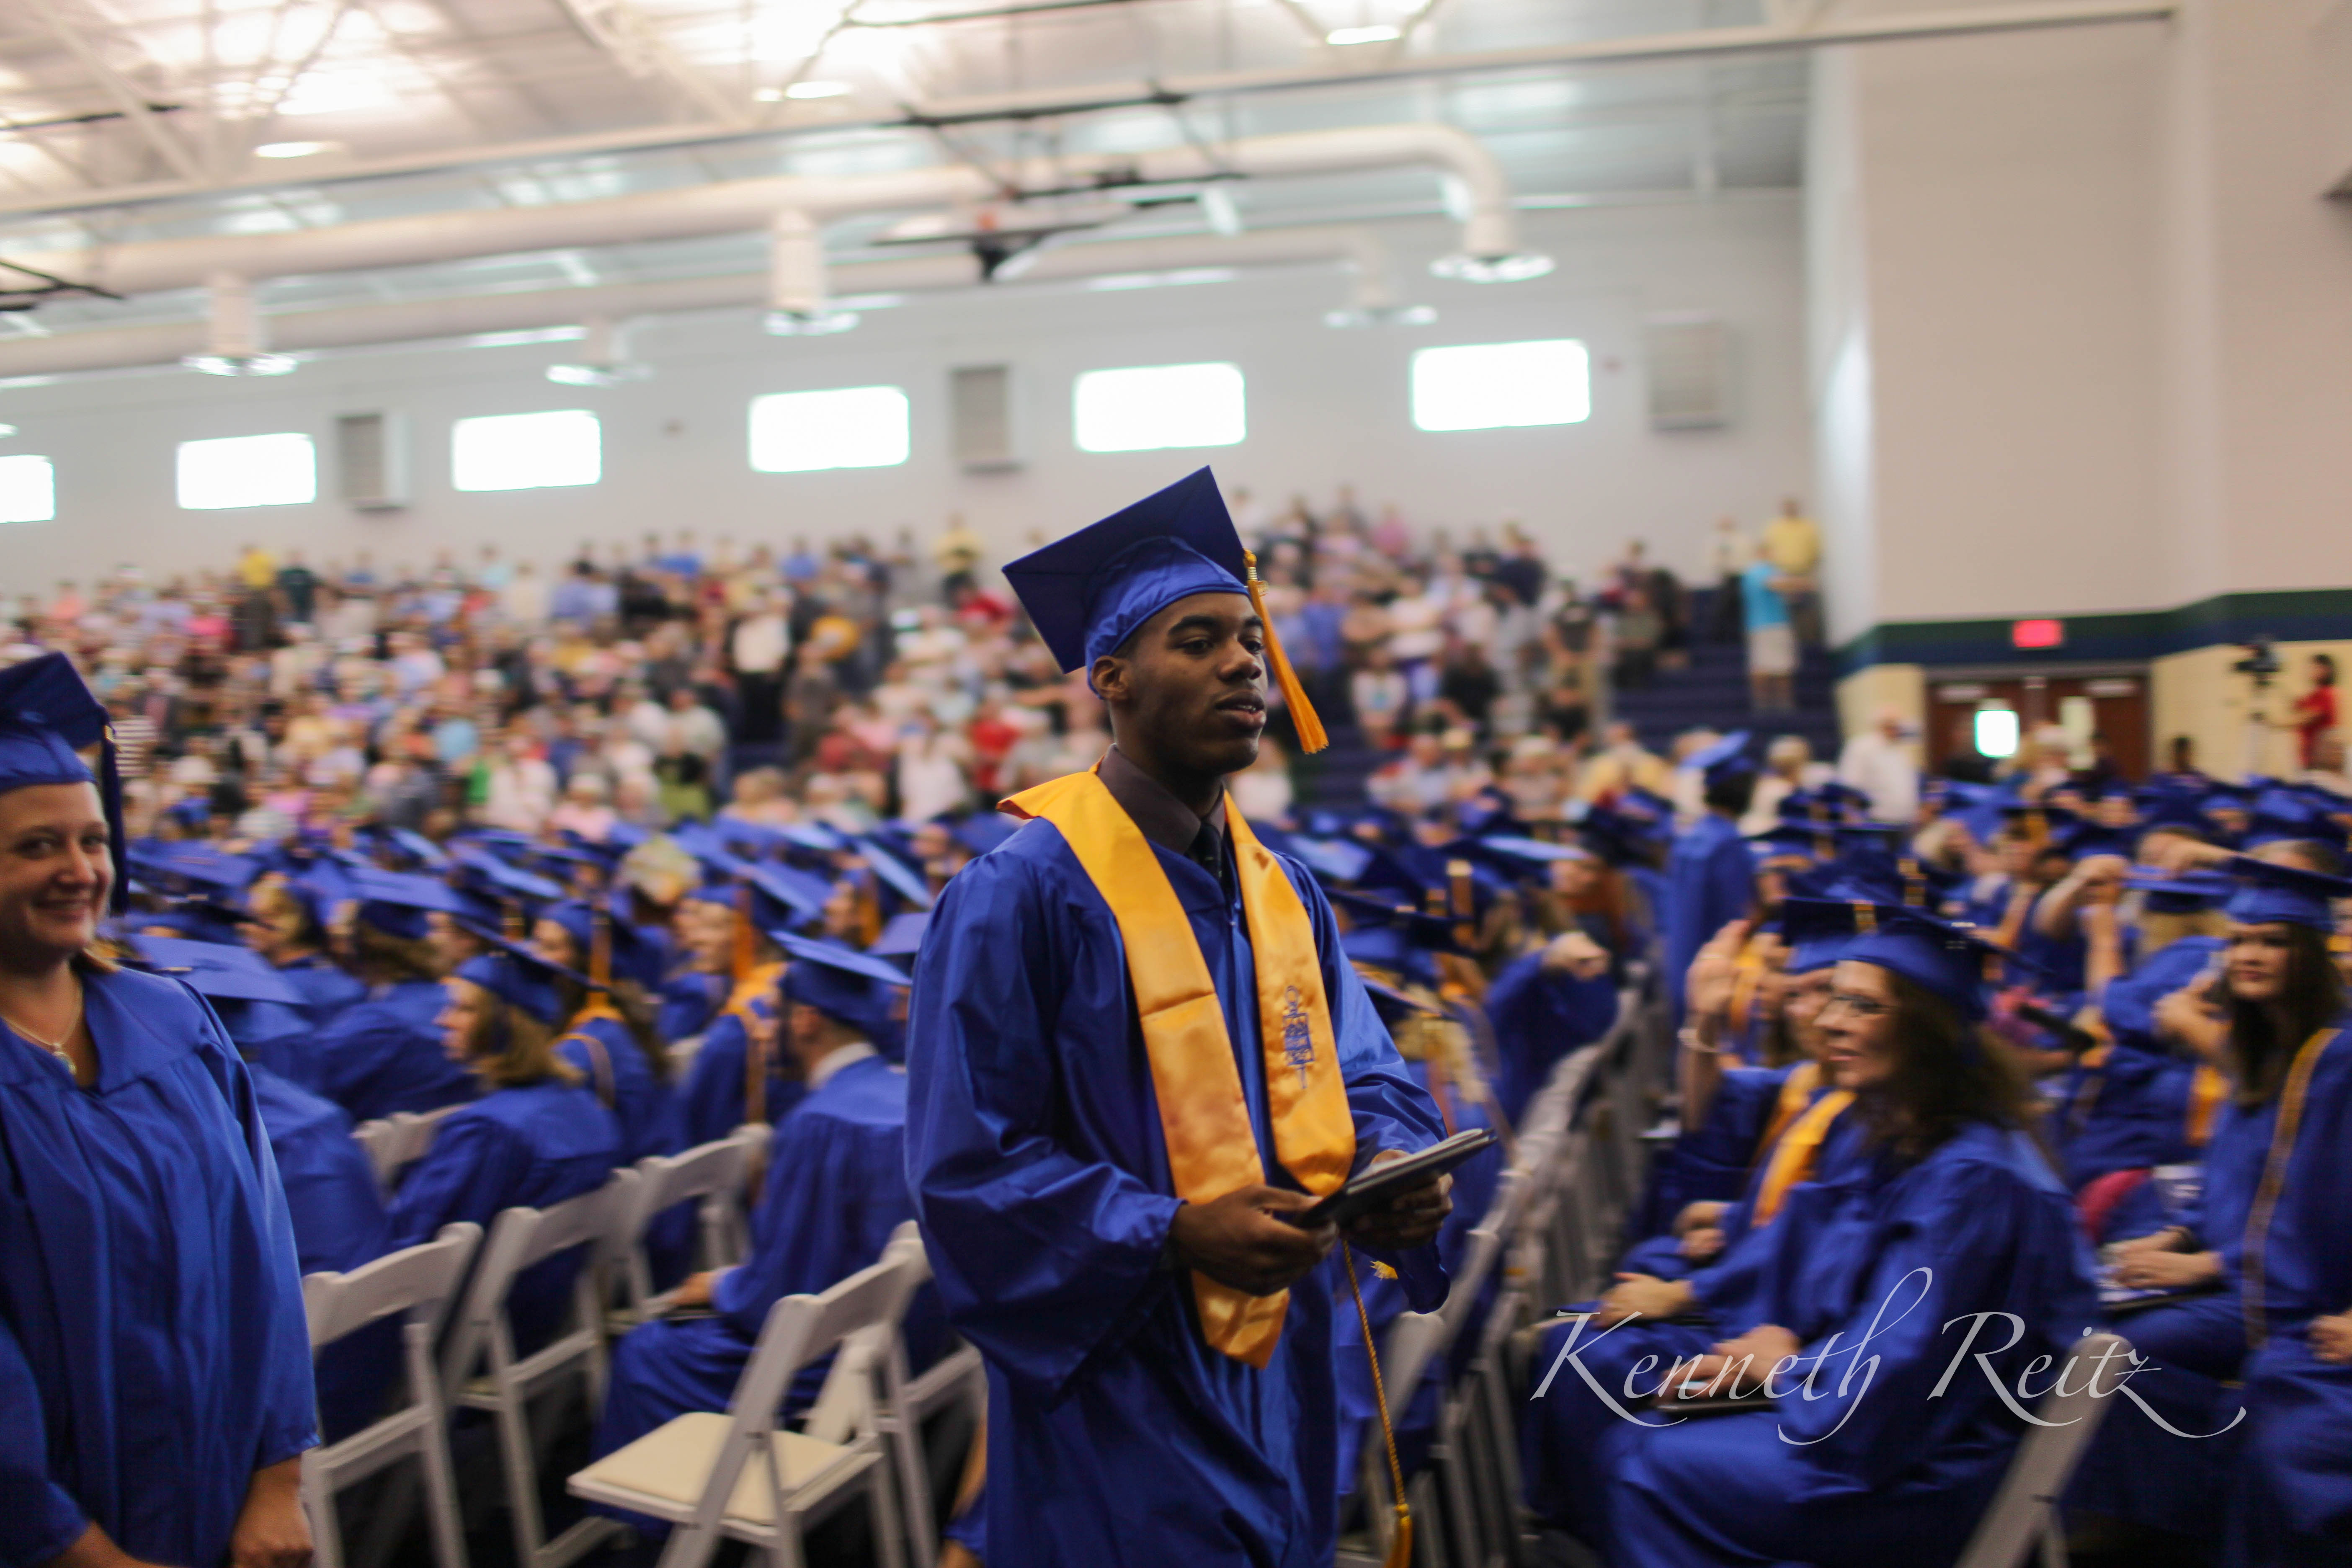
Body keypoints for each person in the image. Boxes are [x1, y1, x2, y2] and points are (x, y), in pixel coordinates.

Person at [906, 468, 1456, 1568]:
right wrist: (1168, 1229)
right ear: (1110, 677)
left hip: (1287, 1359)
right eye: (1197, 641)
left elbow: (1361, 1067)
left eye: (1249, 638)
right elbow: (966, 1166)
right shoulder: (1021, 896)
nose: (1244, 663)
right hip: (1125, 1376)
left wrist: (1392, 1161)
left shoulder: (1281, 888)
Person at [1521, 900, 2096, 1566]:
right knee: (1597, 1373)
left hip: (1926, 1468)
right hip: (1871, 1414)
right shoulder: (1897, 1132)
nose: (1828, 1021)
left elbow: (1904, 1361)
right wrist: (1776, 1347)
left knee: (1649, 1459)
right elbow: (1827, 1276)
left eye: (1863, 1006)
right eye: (1833, 1000)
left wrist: (1786, 1368)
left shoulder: (1973, 1181)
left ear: (1930, 1030)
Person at [0, 653, 316, 1568]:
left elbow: (264, 1250)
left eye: (93, 840)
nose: (78, 870)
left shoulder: (176, 1021)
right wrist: (76, 1549)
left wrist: (277, 1481)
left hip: (227, 1506)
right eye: (37, 845)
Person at [593, 937, 925, 1462]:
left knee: (646, 1350)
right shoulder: (908, 1094)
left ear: (808, 1022)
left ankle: (666, 1509)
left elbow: (781, 1291)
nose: (764, 1031)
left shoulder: (820, 1124)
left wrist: (722, 1284)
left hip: (828, 1358)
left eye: (773, 1015)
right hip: (906, 1341)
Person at [387, 942, 623, 1355]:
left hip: (461, 1338)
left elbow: (415, 1248)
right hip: (536, 1323)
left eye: (463, 1009)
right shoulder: (590, 1109)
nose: (443, 1020)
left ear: (505, 1025)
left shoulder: (488, 1132)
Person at [1663, 732, 1758, 1021]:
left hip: (1682, 964)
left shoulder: (1691, 838)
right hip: (1715, 971)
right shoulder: (1728, 846)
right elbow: (1735, 917)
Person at [1837, 706, 1922, 824]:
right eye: (1893, 725)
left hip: (1903, 819)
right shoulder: (1861, 747)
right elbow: (1849, 784)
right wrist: (1850, 814)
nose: (1897, 730)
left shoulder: (1898, 751)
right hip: (1874, 820)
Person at [1759, 495, 1823, 644]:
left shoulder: (1808, 526)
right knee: (1786, 609)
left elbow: (1816, 551)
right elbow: (1767, 549)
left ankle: (1809, 640)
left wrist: (1808, 570)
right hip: (1782, 573)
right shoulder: (1774, 528)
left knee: (1807, 608)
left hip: (1803, 571)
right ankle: (1791, 640)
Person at [1740, 555, 1798, 712]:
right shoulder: (1762, 572)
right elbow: (1776, 584)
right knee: (1777, 666)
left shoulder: (1750, 574)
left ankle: (1767, 703)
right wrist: (1804, 583)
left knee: (1771, 664)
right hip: (1772, 624)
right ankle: (1775, 702)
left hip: (1759, 624)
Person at [2293, 652, 2339, 771]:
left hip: (2321, 759)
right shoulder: (2313, 696)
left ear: (2326, 670)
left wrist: (2272, 723)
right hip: (2308, 756)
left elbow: (2307, 718)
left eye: (2315, 667)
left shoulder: (2327, 694)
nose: (2310, 671)